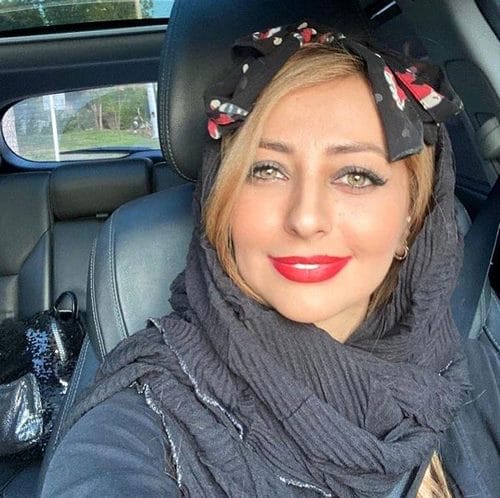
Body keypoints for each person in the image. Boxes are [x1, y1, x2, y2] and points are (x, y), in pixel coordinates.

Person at [41, 22, 471, 497]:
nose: (305, 218)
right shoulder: (139, 426)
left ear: (411, 219)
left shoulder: (461, 368)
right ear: (220, 197)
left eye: (355, 176)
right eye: (267, 170)